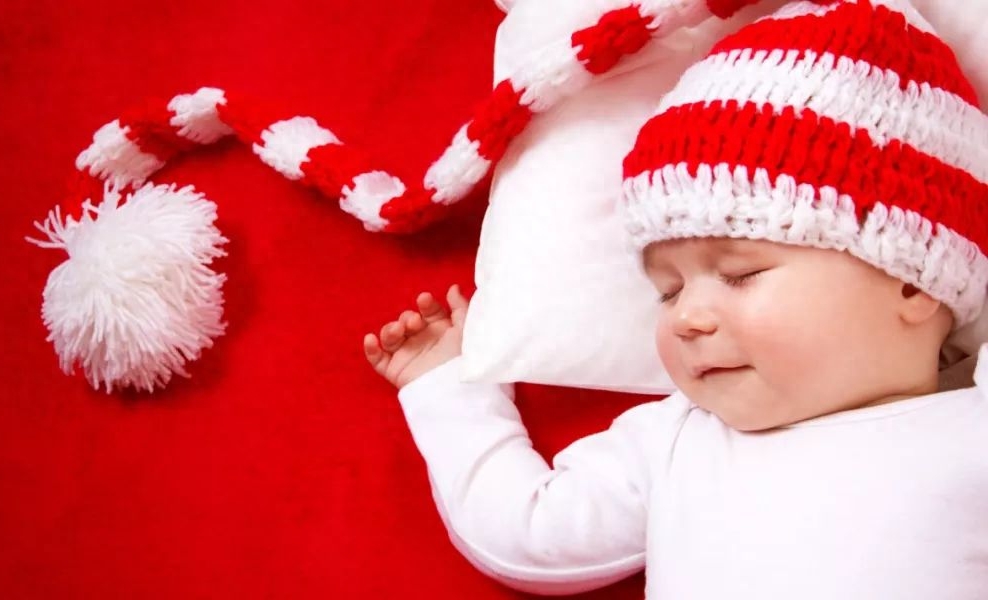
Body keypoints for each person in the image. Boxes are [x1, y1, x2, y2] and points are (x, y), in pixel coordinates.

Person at [363, 0, 988, 597]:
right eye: (667, 291)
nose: (687, 316)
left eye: (741, 274)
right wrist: (446, 388)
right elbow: (527, 533)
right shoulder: (676, 440)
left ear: (913, 281)